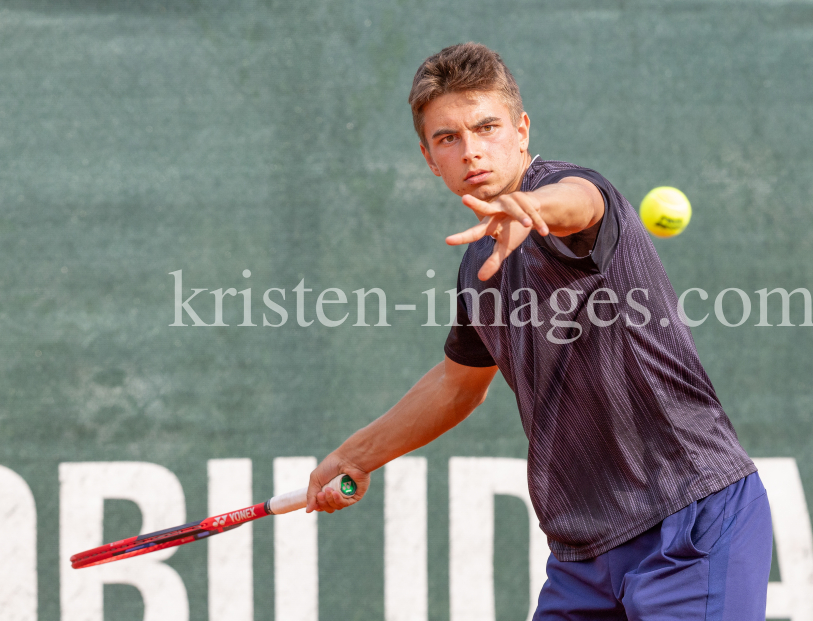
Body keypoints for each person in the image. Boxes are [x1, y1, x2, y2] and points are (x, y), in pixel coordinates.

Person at [305, 42, 772, 620]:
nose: (471, 150)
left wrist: (531, 206)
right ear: (430, 157)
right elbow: (457, 386)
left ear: (521, 130)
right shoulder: (480, 265)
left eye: (487, 127)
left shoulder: (569, 195)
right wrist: (355, 455)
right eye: (449, 138)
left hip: (687, 519)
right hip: (583, 554)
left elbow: (582, 203)